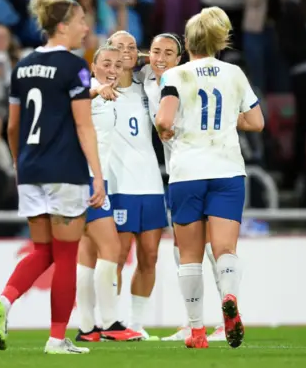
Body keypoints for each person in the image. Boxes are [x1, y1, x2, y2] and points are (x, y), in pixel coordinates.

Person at [0, 0, 106, 355]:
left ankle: (4, 301)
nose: (86, 28)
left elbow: (12, 126)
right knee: (66, 256)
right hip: (65, 171)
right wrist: (97, 176)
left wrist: (19, 162)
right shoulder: (74, 67)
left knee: (43, 250)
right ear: (63, 26)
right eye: (82, 21)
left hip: (31, 169)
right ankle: (57, 339)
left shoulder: (21, 66)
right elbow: (84, 127)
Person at [155, 7, 264, 349]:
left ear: (187, 42)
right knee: (225, 249)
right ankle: (229, 299)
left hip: (188, 172)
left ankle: (198, 331)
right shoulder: (234, 74)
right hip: (228, 170)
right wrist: (230, 121)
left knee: (189, 255)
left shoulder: (175, 75)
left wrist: (167, 129)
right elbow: (257, 121)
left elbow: (163, 119)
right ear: (219, 42)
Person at [142, 33, 225, 342]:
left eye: (168, 53)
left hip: (205, 169)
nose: (160, 57)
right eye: (155, 52)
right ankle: (196, 322)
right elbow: (131, 61)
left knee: (211, 249)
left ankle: (221, 322)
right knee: (184, 249)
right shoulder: (149, 81)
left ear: (180, 59)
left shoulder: (187, 82)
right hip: (179, 174)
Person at [100, 30, 168, 341]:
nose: (126, 52)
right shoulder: (100, 91)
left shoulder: (148, 86)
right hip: (119, 184)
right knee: (118, 254)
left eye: (131, 47)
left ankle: (136, 323)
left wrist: (140, 56)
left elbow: (159, 61)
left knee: (150, 255)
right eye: (118, 47)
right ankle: (108, 322)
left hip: (151, 183)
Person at [75, 44, 134, 343]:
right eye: (106, 63)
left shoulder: (110, 93)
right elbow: (73, 103)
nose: (112, 69)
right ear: (93, 65)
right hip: (89, 180)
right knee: (111, 249)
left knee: (87, 255)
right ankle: (111, 323)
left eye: (118, 65)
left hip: (93, 179)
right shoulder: (89, 90)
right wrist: (96, 91)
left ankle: (87, 328)